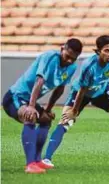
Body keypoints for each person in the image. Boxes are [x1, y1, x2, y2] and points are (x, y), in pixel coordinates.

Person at [40, 35, 109, 168]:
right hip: (80, 93)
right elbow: (82, 90)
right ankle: (47, 158)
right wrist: (74, 111)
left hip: (101, 92)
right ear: (98, 51)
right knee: (65, 121)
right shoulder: (89, 65)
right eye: (106, 50)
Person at [1, 39, 83, 174]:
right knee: (30, 116)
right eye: (67, 56)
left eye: (73, 59)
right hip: (15, 97)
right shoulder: (49, 57)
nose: (69, 61)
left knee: (46, 119)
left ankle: (38, 160)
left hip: (28, 100)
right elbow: (39, 81)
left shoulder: (71, 67)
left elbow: (59, 89)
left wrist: (48, 109)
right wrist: (31, 107)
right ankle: (30, 164)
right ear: (62, 48)